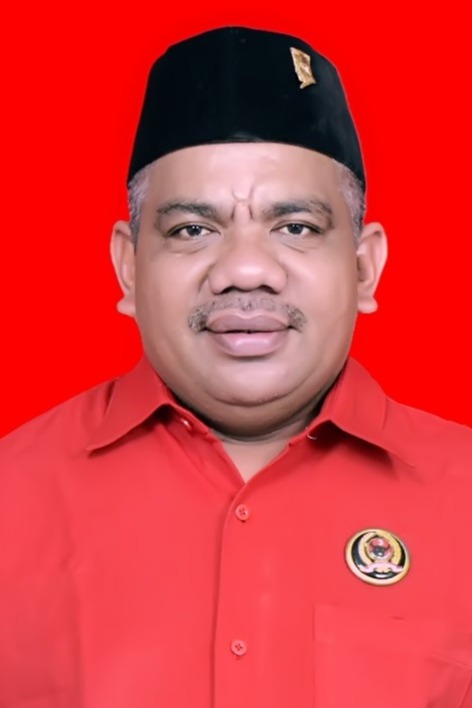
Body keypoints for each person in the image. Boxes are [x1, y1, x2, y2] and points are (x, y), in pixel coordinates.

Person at [1, 25, 472, 708]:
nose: (246, 269)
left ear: (365, 267)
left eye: (296, 227)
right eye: (193, 229)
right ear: (129, 267)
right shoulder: (12, 499)